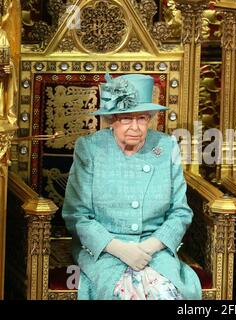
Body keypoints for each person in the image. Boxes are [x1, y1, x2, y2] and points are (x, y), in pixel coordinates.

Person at [62, 73, 202, 300]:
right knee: (124, 293)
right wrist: (119, 249)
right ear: (112, 119)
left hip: (155, 251)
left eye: (142, 118)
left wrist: (151, 246)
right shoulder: (90, 149)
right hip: (105, 252)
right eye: (127, 119)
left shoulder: (165, 147)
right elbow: (76, 215)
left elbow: (180, 211)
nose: (135, 127)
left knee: (164, 292)